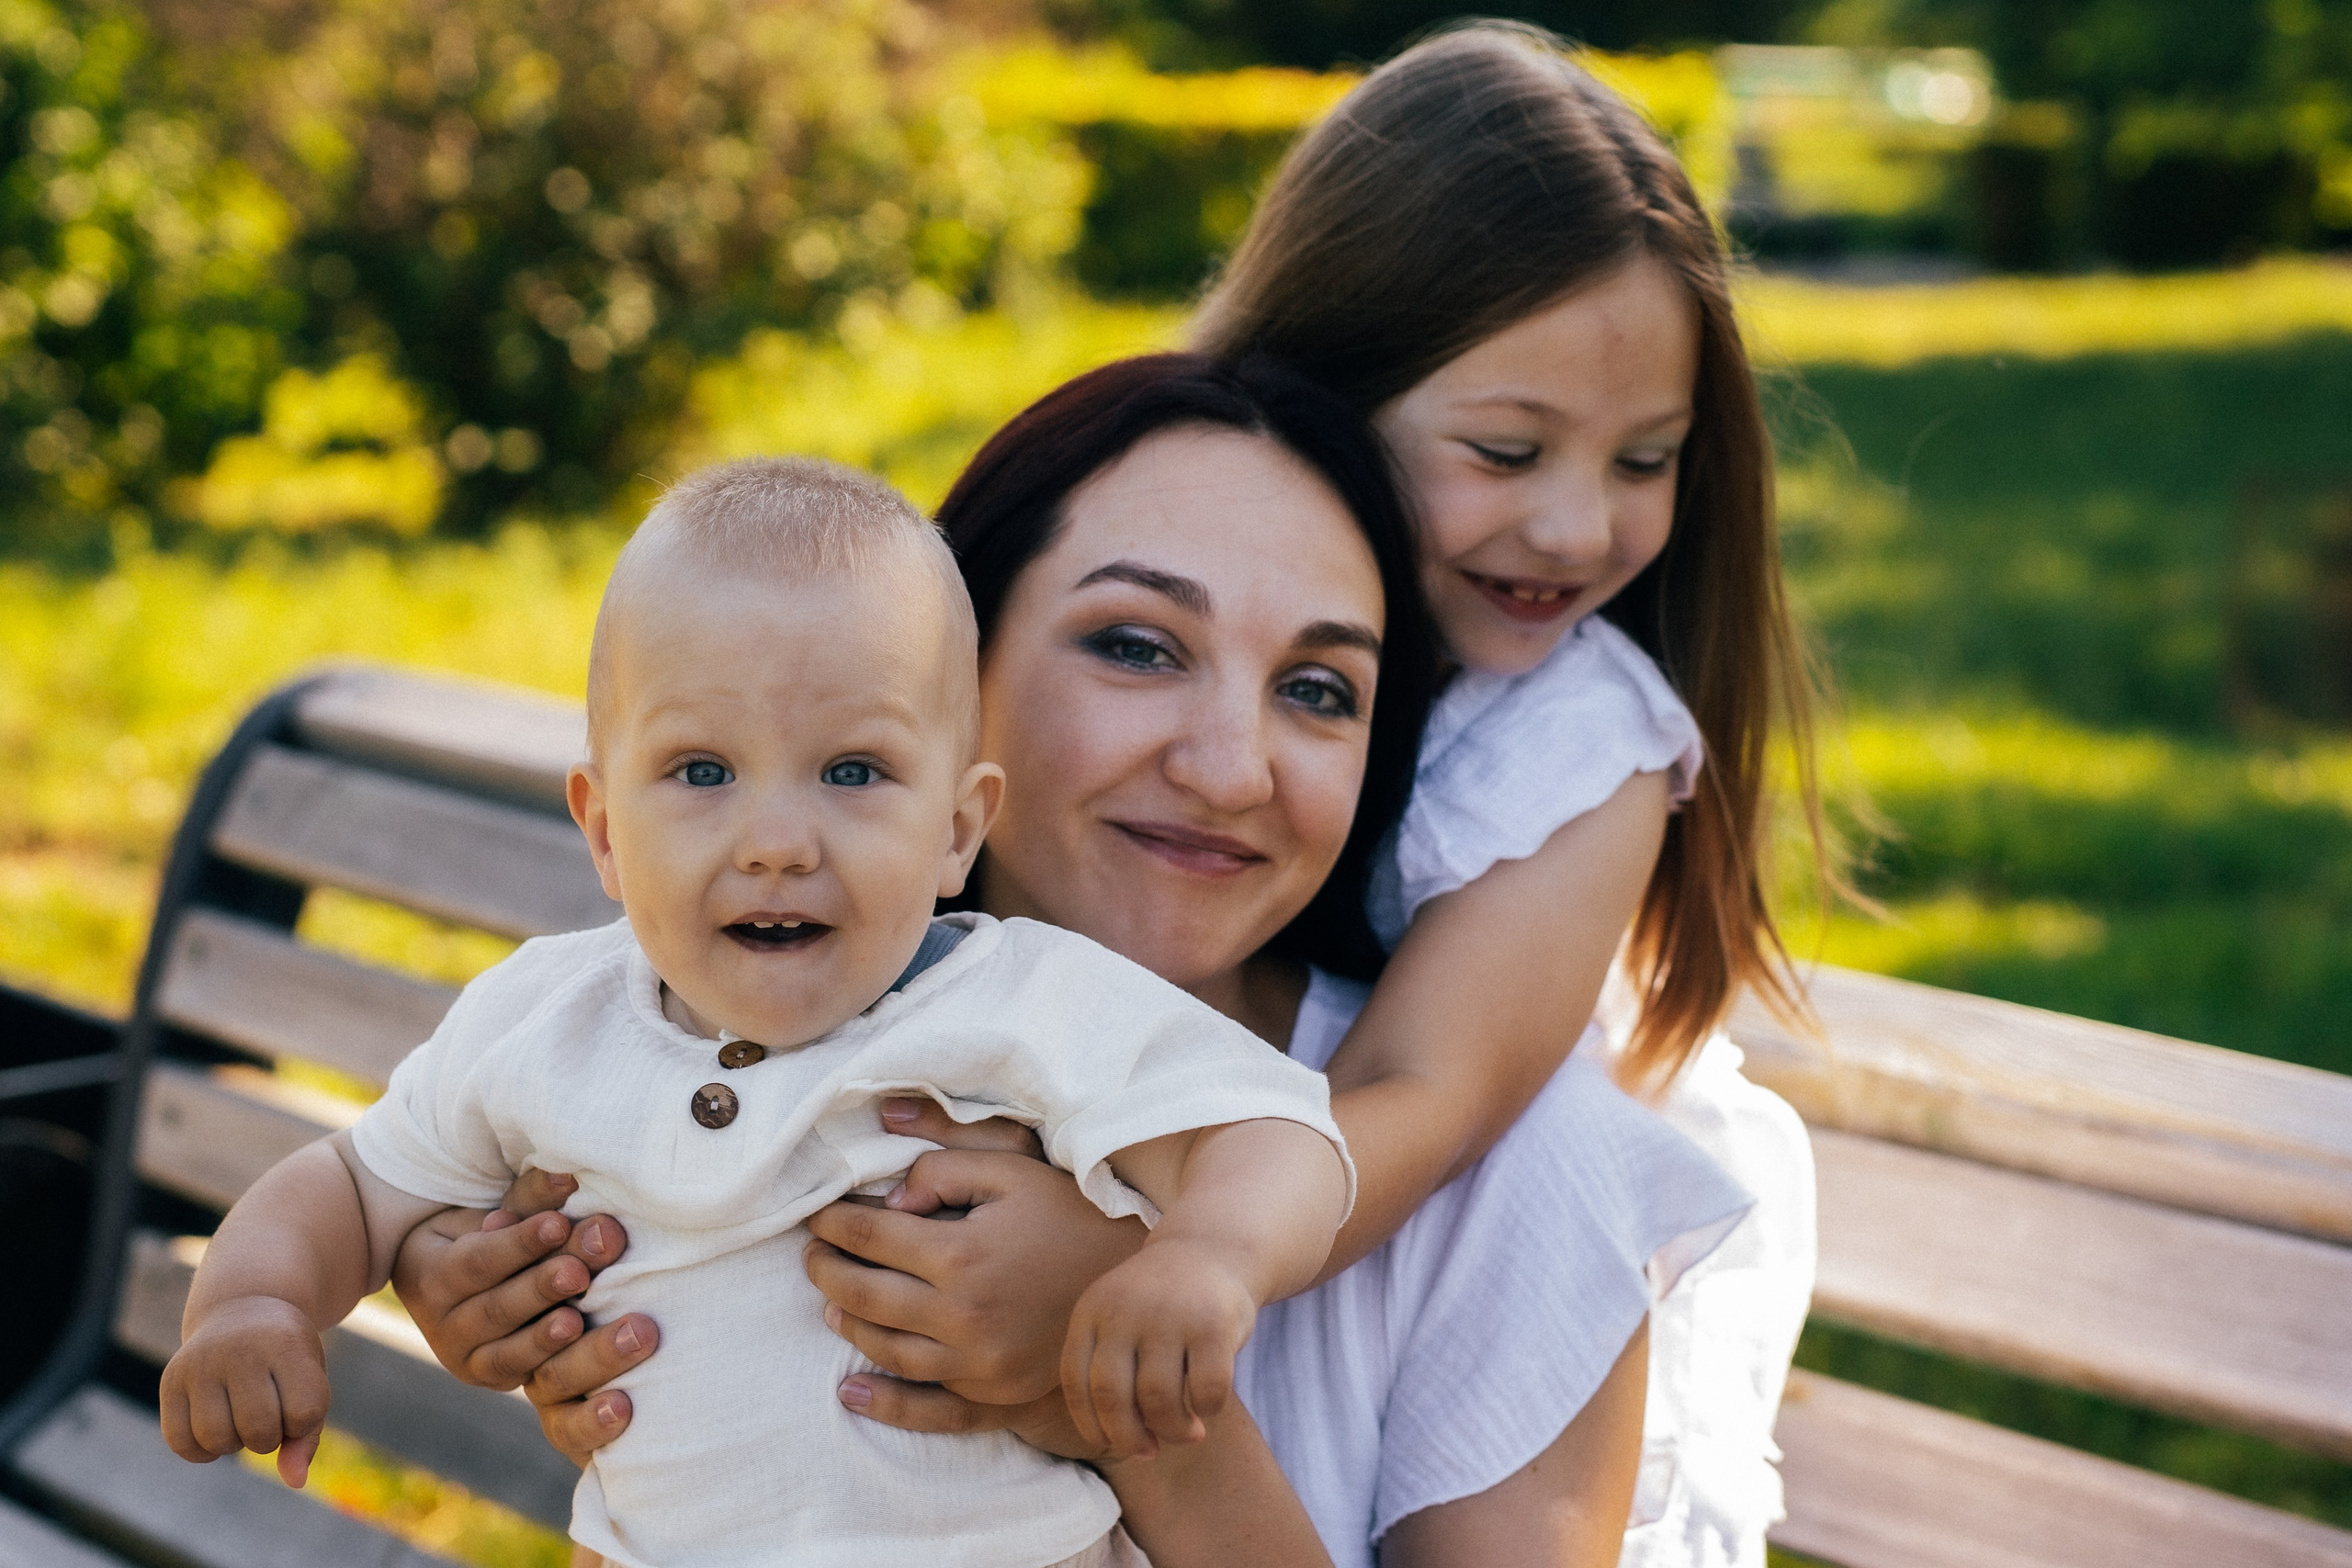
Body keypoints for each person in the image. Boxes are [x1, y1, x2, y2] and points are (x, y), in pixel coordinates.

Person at [391, 355, 1751, 1567]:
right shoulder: (729, 1036)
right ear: (940, 674)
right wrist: (511, 1289)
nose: (1231, 767)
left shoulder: (1524, 1180)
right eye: (1137, 646)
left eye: (1320, 690)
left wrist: (1102, 1390)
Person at [156, 456, 1358, 1568]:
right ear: (606, 830)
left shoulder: (1018, 1003)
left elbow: (1270, 1137)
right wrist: (257, 1299)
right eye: (702, 773)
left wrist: (1208, 1253)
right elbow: (353, 1185)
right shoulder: (543, 1018)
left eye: (851, 772)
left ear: (956, 827)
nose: (777, 844)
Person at [1188, 27, 1832, 1563]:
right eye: (1506, 448)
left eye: (1644, 460)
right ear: (1320, 381)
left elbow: (1431, 1093)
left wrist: (1142, 1257)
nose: (1573, 525)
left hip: (1466, 1298)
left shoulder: (1581, 740)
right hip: (1285, 1247)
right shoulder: (1186, 608)